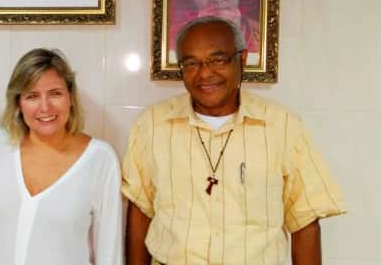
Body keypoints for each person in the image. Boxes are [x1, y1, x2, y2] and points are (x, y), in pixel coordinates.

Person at [122, 16, 346, 265]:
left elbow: (305, 221)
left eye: (218, 60)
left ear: (242, 59)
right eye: (191, 63)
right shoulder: (152, 125)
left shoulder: (283, 126)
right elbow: (140, 211)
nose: (205, 73)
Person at [0, 48, 123, 264]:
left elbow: (109, 254)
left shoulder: (101, 159)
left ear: (70, 97)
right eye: (32, 96)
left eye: (55, 93)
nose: (45, 107)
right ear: (18, 103)